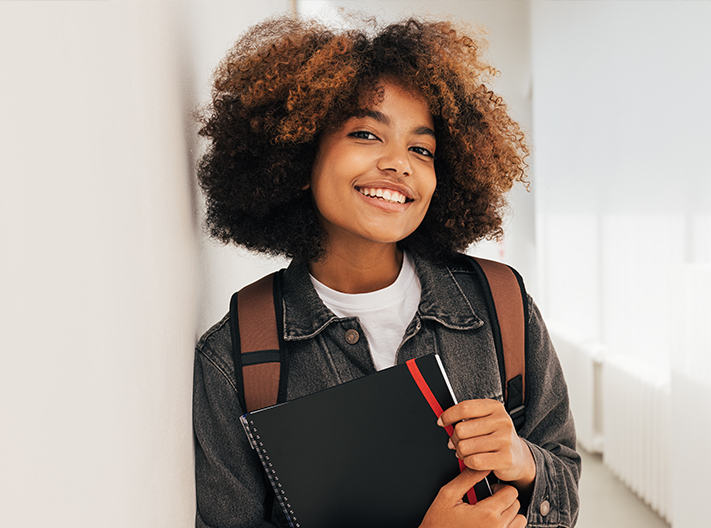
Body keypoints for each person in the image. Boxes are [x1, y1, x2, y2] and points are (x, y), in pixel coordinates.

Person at [193, 14, 580, 528]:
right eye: (366, 134)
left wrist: (523, 459)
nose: (399, 163)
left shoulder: (500, 304)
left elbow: (566, 490)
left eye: (421, 148)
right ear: (300, 154)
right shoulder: (235, 357)